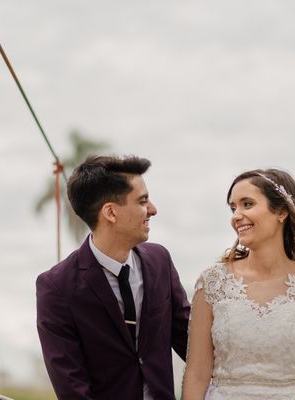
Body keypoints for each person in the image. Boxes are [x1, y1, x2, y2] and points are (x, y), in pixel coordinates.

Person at [36, 155, 190, 400]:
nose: (153, 209)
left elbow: (190, 342)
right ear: (110, 212)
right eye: (142, 201)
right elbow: (71, 386)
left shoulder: (160, 261)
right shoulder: (56, 287)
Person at [182, 168, 295, 400]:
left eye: (247, 204)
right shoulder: (212, 283)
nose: (236, 215)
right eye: (233, 207)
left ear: (281, 211)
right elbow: (196, 374)